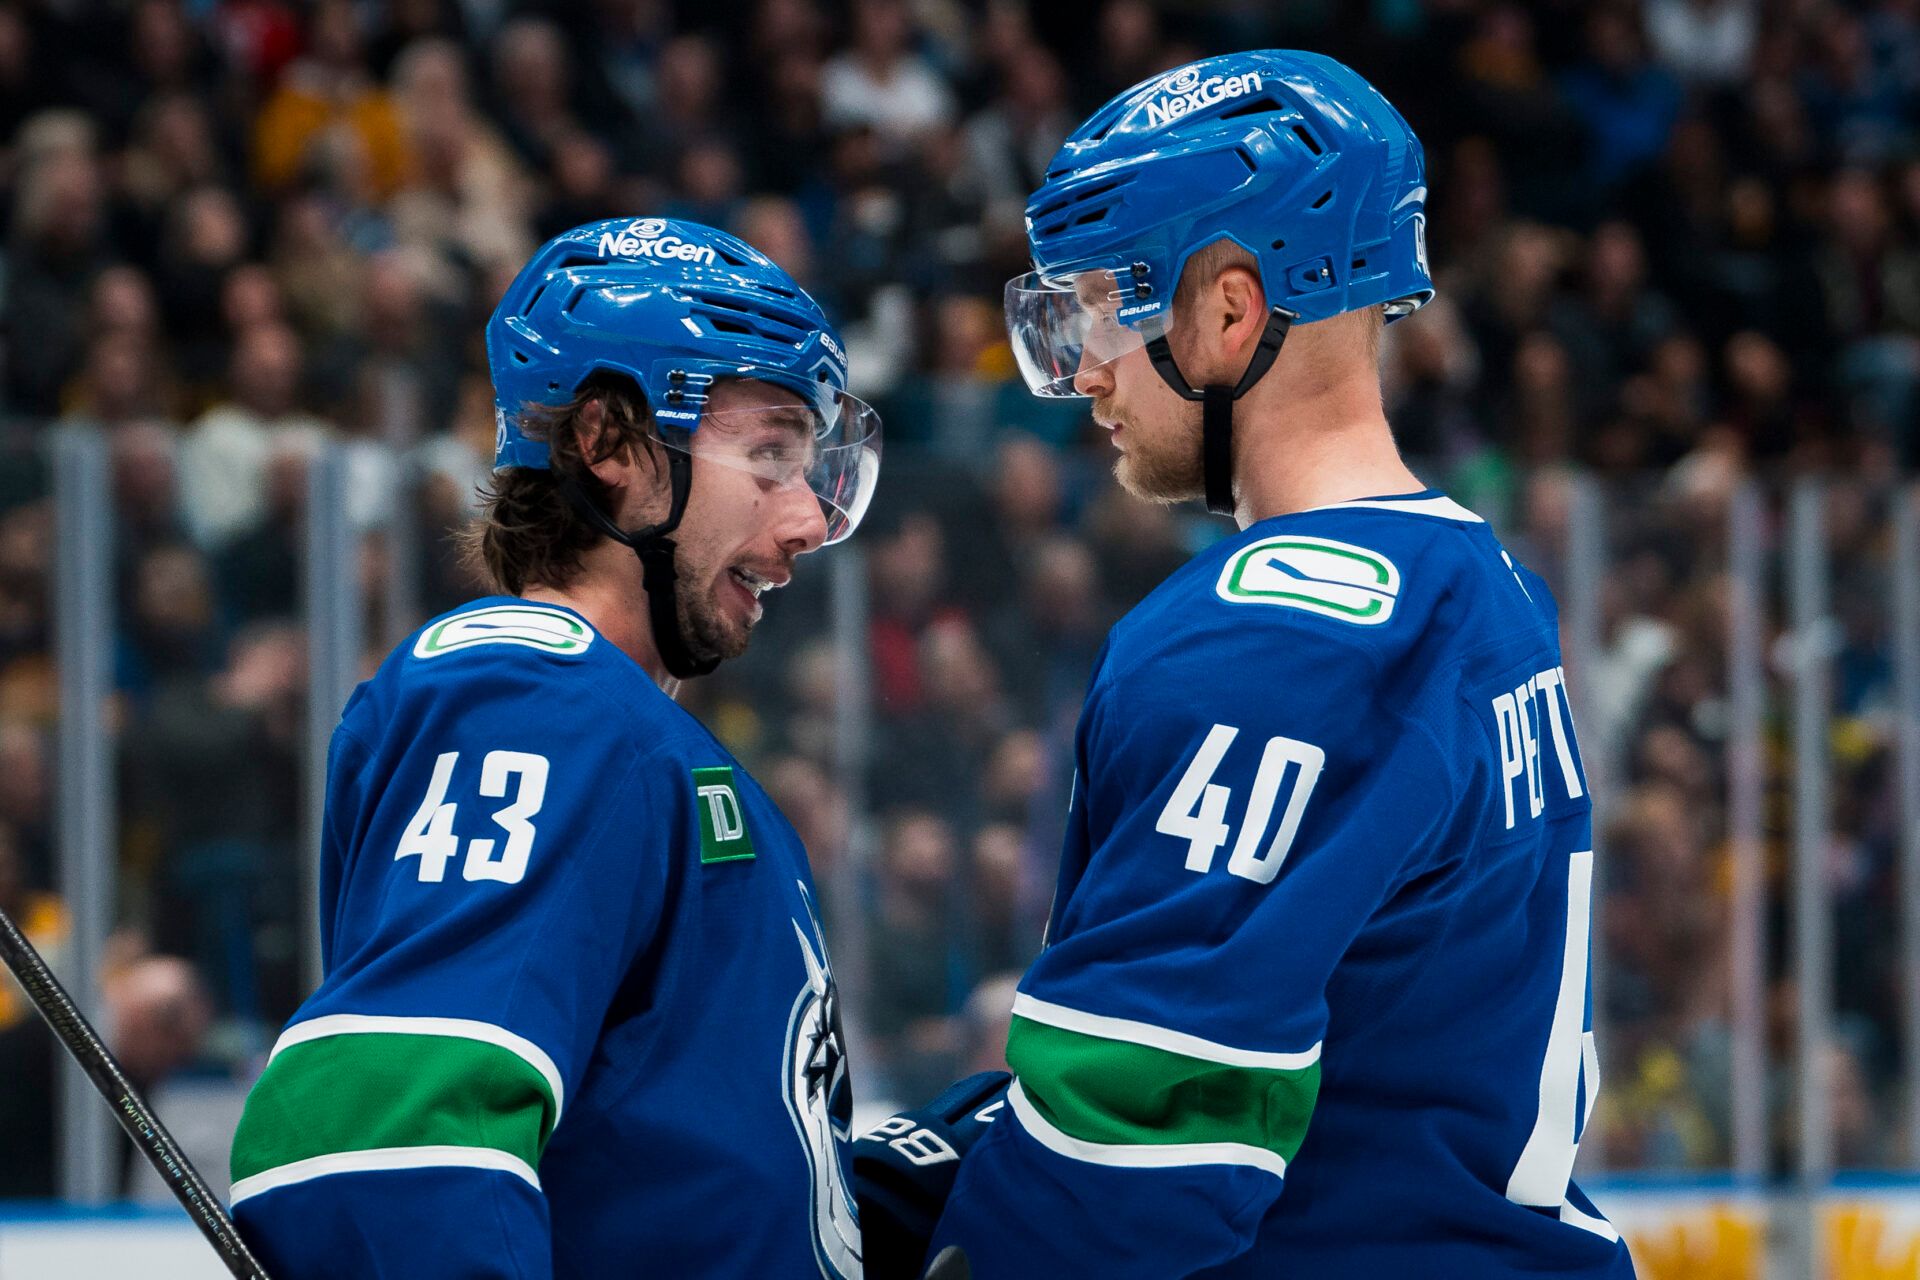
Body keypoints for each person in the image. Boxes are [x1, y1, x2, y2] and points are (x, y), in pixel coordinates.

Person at [917, 51, 1635, 1277]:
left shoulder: (1273, 635)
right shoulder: (1480, 580)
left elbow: (1137, 1151)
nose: (1082, 368)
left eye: (1099, 308)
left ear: (1230, 312)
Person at [229, 217, 881, 1279]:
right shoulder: (533, 694)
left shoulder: (621, 731)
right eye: (768, 454)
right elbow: (384, 1140)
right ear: (611, 445)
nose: (807, 519)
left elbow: (687, 1163)